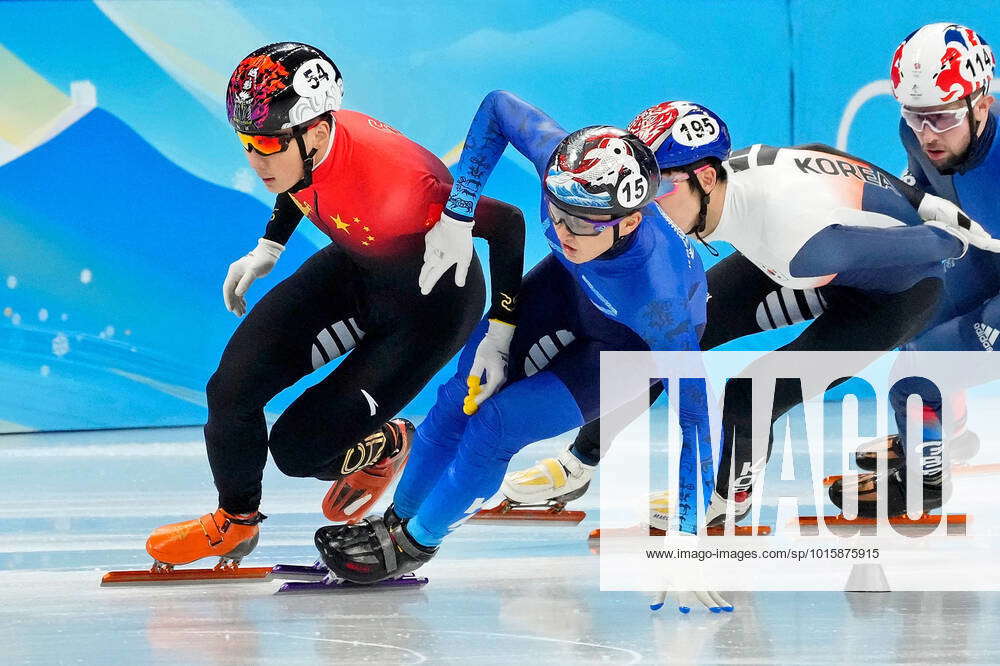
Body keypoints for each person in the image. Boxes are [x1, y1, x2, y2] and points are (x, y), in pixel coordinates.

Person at [503, 99, 1000, 524]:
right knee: (663, 341)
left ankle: (726, 499)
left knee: (753, 393)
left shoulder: (797, 241)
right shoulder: (740, 169)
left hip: (895, 291)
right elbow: (818, 151)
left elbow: (926, 251)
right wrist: (921, 200)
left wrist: (940, 230)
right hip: (824, 254)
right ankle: (579, 462)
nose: (642, 211)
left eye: (658, 192)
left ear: (703, 177)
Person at [144, 43, 526, 570]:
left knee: (299, 452)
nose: (255, 161)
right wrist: (269, 247)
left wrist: (502, 328)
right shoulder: (303, 146)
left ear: (317, 133)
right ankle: (236, 522)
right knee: (230, 391)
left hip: (431, 309)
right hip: (358, 267)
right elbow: (298, 179)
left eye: (266, 145)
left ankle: (389, 442)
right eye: (246, 143)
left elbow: (508, 223)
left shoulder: (400, 183)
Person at [313, 91, 713, 587]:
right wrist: (459, 212)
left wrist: (690, 534)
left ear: (630, 220)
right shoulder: (566, 172)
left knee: (497, 425)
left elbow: (694, 419)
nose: (564, 231)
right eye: (558, 210)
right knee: (462, 396)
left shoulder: (660, 297)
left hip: (627, 348)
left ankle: (417, 543)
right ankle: (398, 521)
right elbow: (499, 106)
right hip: (570, 288)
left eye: (583, 223)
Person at [832, 22, 999, 516]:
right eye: (916, 114)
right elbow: (920, 201)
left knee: (919, 371)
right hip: (989, 256)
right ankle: (943, 435)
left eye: (943, 118)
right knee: (912, 315)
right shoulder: (916, 134)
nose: (927, 134)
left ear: (982, 105)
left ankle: (924, 486)